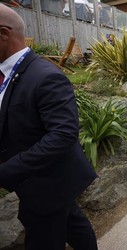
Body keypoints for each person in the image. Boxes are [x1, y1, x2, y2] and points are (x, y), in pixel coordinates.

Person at [0, 4, 98, 250]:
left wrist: (7, 170)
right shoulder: (7, 73)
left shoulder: (46, 76)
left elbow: (63, 134)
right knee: (73, 223)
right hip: (40, 182)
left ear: (3, 34)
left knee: (44, 238)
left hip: (47, 183)